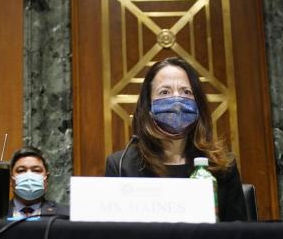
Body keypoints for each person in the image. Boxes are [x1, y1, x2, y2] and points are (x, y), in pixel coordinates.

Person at [104, 57, 247, 221]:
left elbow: (238, 232)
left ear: (198, 104)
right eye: (165, 92)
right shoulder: (121, 166)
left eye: (186, 92)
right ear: (148, 106)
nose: (177, 101)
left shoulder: (222, 166)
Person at [8, 146, 68, 218]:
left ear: (46, 179)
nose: (29, 176)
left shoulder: (66, 215)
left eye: (36, 170)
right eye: (21, 170)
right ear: (11, 179)